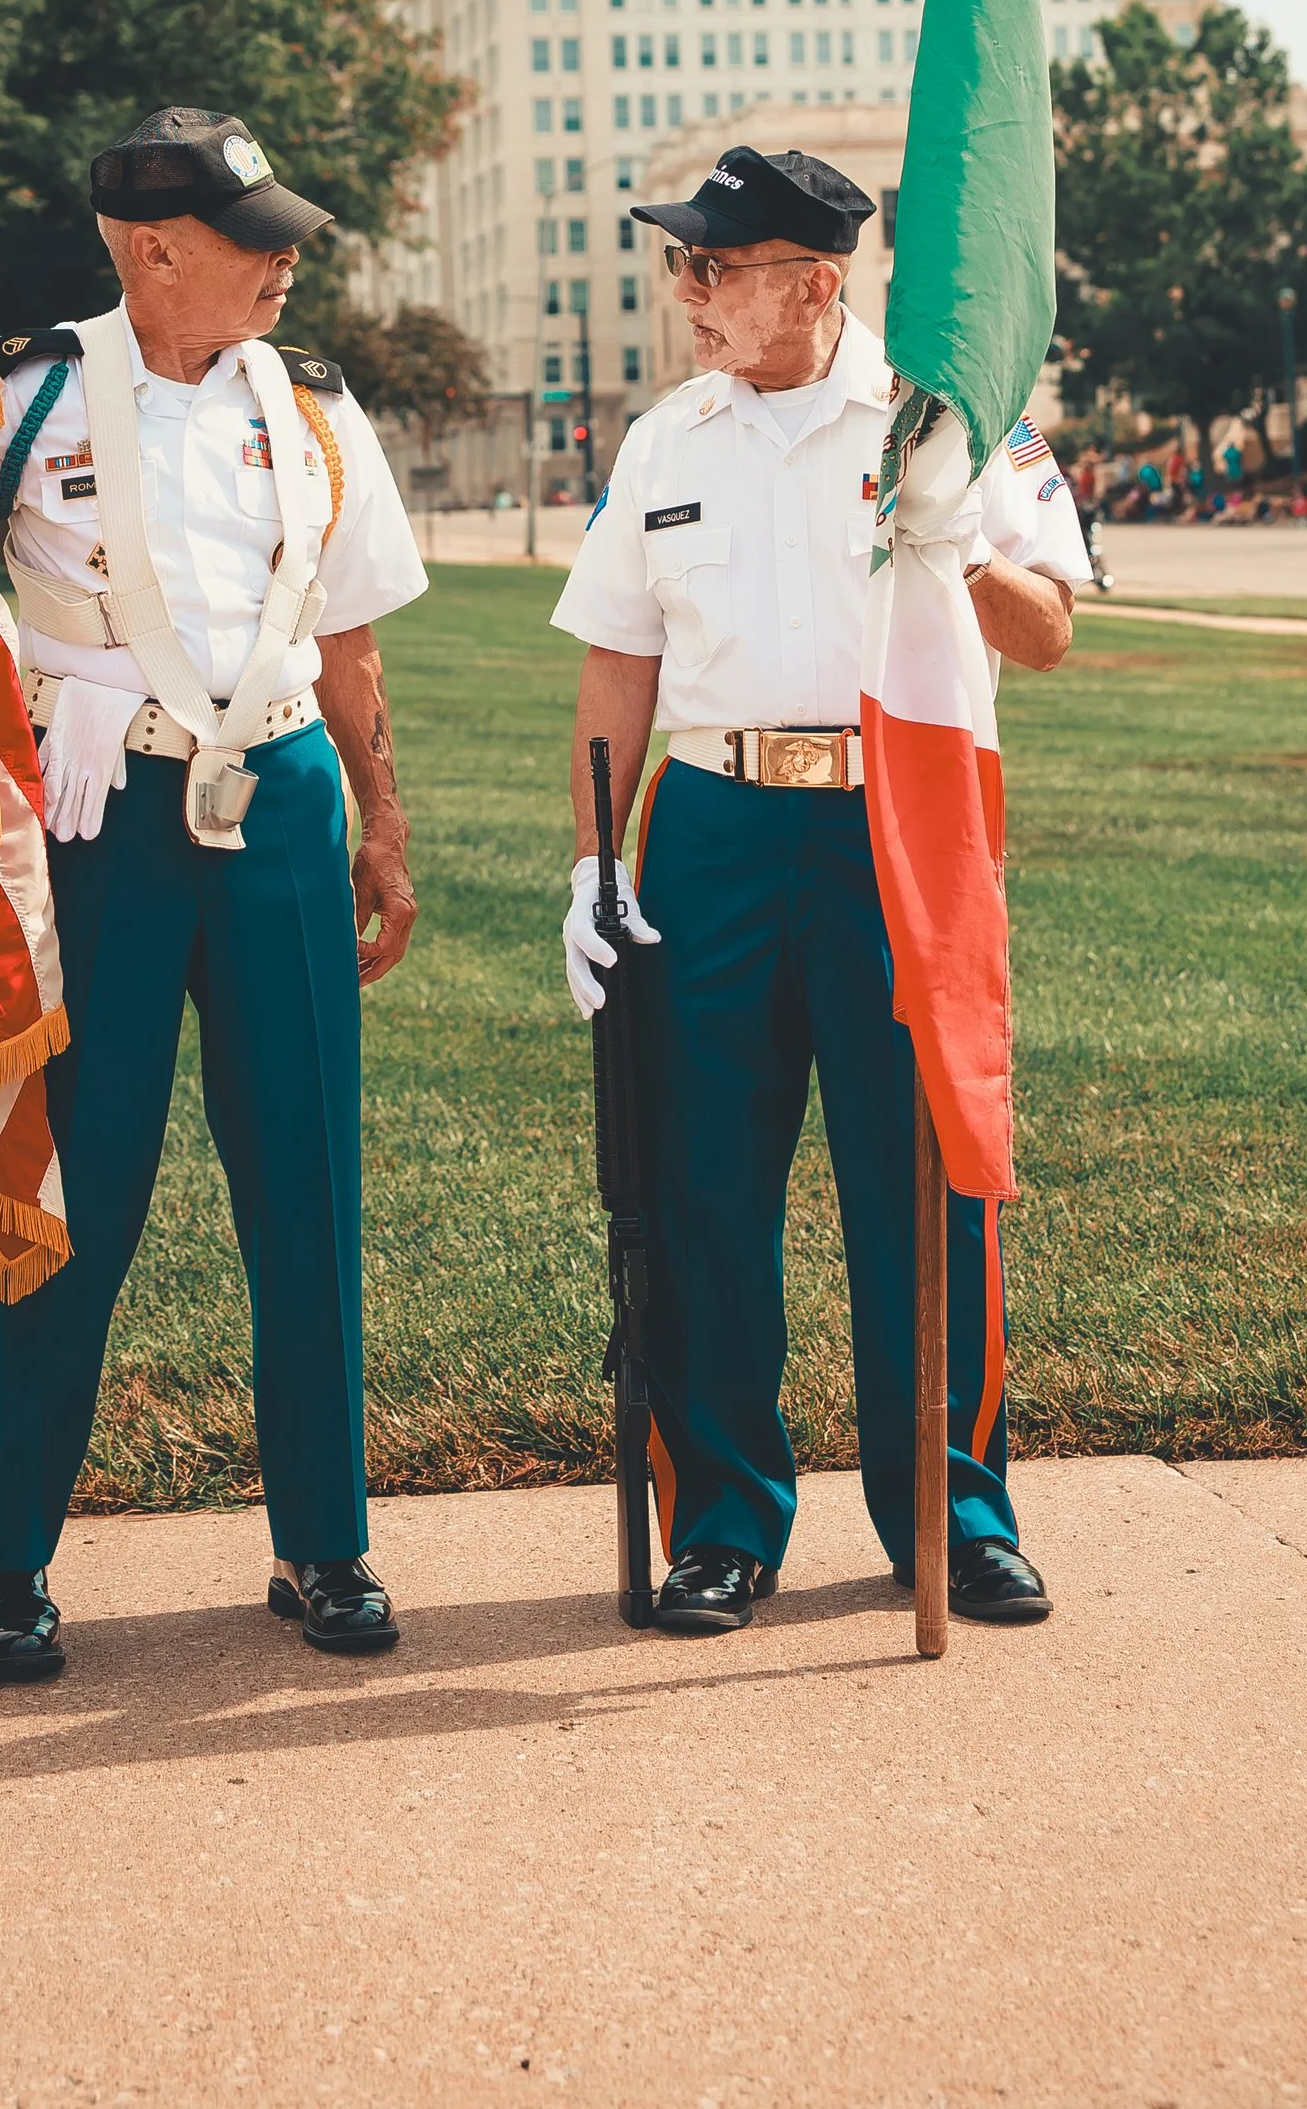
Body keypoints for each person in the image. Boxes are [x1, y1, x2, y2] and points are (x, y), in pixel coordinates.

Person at [549, 146, 1089, 1638]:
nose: (686, 293)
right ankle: (725, 1520)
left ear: (816, 284)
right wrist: (596, 861)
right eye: (682, 263)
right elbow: (617, 657)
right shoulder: (666, 443)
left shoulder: (951, 426)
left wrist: (952, 533)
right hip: (714, 826)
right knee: (705, 1181)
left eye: (711, 269)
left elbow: (1047, 635)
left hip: (891, 826)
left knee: (922, 1179)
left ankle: (952, 1515)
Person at [0, 109, 427, 1681]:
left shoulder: (313, 410)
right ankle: (12, 1557)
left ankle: (324, 1541)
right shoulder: (19, 395)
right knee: (75, 1193)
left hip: (284, 799)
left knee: (303, 1181)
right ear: (152, 248)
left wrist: (383, 822)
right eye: (254, 235)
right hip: (100, 812)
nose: (286, 259)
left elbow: (352, 630)